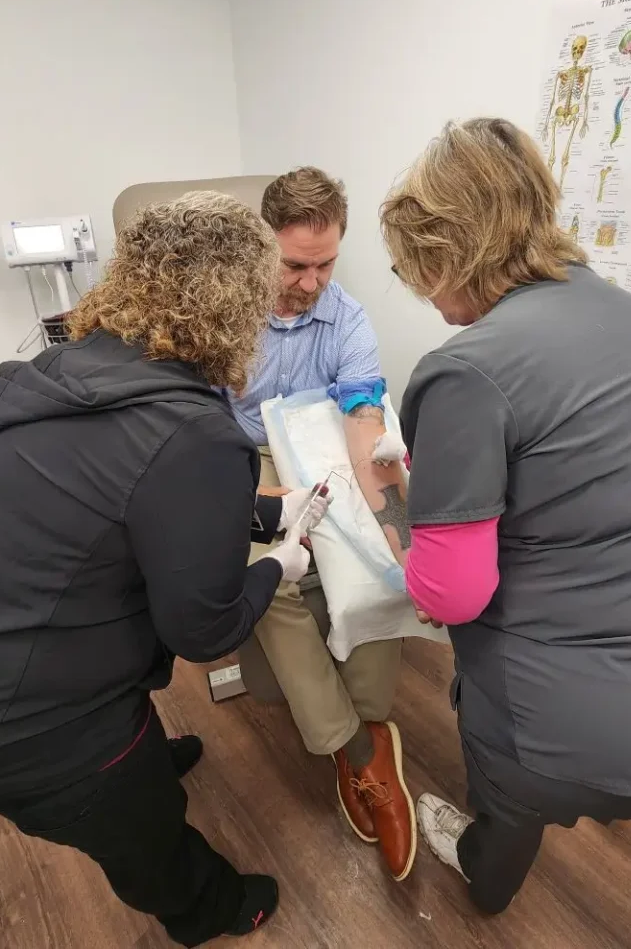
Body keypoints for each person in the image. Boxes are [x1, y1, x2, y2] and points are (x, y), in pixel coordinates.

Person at [0, 192, 332, 948]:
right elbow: (205, 631)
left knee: (132, 767)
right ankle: (209, 910)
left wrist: (263, 511)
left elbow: (128, 501)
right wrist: (283, 565)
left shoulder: (62, 370)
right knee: (144, 835)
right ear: (238, 309)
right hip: (15, 727)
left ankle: (142, 764)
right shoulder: (194, 434)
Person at [380, 117, 631, 914]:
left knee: (506, 818)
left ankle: (482, 878)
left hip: (554, 727)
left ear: (448, 248)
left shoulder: (468, 370)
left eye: (418, 269)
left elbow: (450, 595)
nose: (423, 292)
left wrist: (414, 508)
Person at [226, 167, 415, 882]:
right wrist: (276, 503)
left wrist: (388, 524)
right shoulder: (227, 314)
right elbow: (205, 434)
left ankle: (367, 722)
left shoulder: (349, 316)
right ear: (263, 245)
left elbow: (364, 417)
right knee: (267, 575)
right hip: (248, 461)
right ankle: (349, 748)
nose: (311, 283)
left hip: (332, 449)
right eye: (296, 265)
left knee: (374, 562)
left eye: (326, 263)